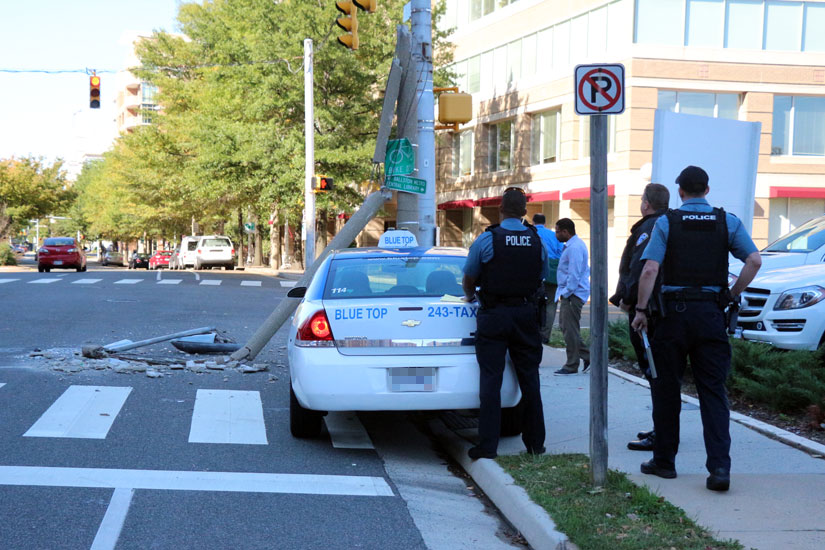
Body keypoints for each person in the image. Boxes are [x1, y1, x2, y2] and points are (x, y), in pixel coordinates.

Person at [632, 165, 761, 492]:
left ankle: (664, 462)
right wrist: (731, 295)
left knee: (666, 390)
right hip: (710, 315)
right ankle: (719, 469)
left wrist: (641, 310)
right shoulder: (726, 222)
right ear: (706, 189)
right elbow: (755, 261)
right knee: (713, 392)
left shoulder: (667, 222)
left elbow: (649, 269)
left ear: (681, 191)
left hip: (673, 317)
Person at [462, 187, 548, 460]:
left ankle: (488, 446)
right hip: (525, 315)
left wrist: (469, 295)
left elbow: (469, 276)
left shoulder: (488, 239)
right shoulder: (537, 241)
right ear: (525, 212)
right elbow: (542, 276)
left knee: (491, 380)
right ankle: (535, 443)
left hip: (494, 315)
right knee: (530, 380)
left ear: (500, 209)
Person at [609, 183, 670, 451]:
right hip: (665, 309)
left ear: (646, 203)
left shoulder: (648, 228)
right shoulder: (668, 224)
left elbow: (640, 269)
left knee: (655, 372)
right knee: (661, 374)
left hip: (649, 312)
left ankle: (663, 433)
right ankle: (663, 428)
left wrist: (629, 300)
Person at [553, 218, 590, 375]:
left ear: (565, 232)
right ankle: (588, 356)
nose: (556, 234)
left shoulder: (574, 247)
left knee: (569, 329)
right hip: (570, 293)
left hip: (573, 294)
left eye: (557, 231)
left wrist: (567, 293)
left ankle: (571, 364)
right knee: (567, 327)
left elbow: (574, 273)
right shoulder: (573, 245)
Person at [532, 213, 564, 344]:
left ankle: (533, 331)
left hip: (535, 271)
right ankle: (545, 335)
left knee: (533, 302)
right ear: (545, 223)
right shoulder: (553, 235)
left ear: (533, 222)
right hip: (553, 273)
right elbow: (561, 253)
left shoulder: (531, 233)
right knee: (551, 303)